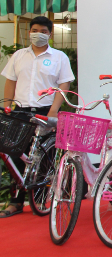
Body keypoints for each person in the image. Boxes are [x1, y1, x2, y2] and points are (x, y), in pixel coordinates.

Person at [1, 16, 75, 218]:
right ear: (29, 32)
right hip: (20, 111)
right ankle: (16, 202)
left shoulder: (59, 57)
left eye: (43, 30)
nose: (38, 34)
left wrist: (53, 111)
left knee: (44, 155)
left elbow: (64, 85)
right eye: (34, 30)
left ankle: (42, 199)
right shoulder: (18, 56)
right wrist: (7, 105)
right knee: (16, 155)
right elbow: (10, 81)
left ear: (50, 33)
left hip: (45, 111)